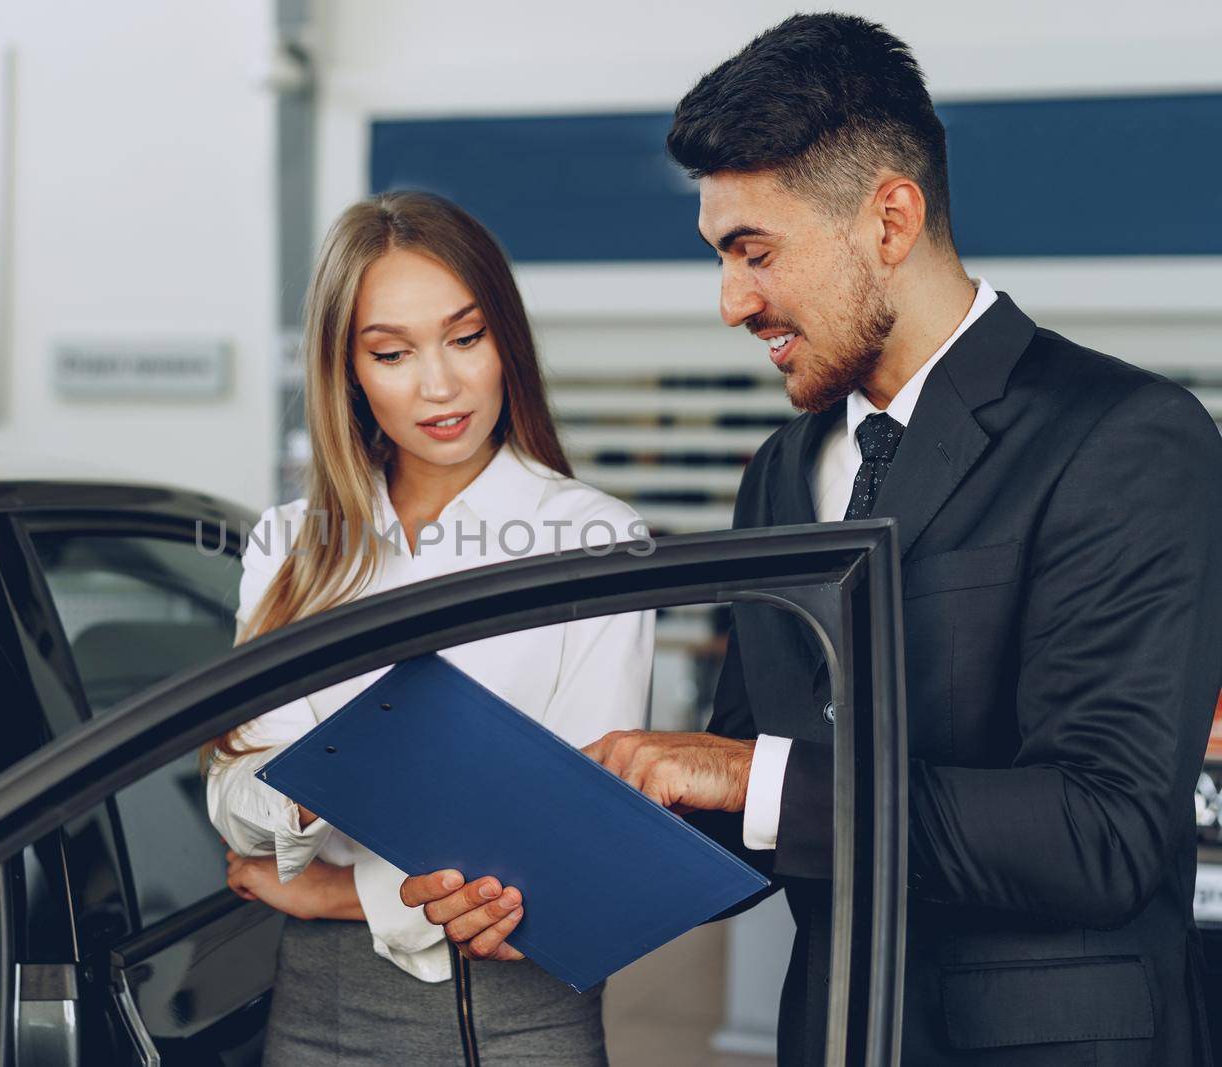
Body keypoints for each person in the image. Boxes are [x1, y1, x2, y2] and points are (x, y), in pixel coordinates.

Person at [400, 13, 1222, 1066]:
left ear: (889, 219)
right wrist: (541, 870)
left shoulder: (1123, 435)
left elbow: (1099, 833)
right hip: (833, 1035)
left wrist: (746, 774)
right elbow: (739, 808)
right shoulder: (780, 473)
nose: (732, 302)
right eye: (719, 256)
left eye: (755, 252)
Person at [205, 190, 655, 1065]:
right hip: (318, 1008)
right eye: (392, 351)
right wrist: (298, 797)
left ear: (505, 341)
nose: (440, 384)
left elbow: (567, 846)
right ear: (350, 370)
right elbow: (238, 806)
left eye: (466, 337)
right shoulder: (290, 545)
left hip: (518, 1010)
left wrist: (337, 888)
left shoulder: (594, 538)